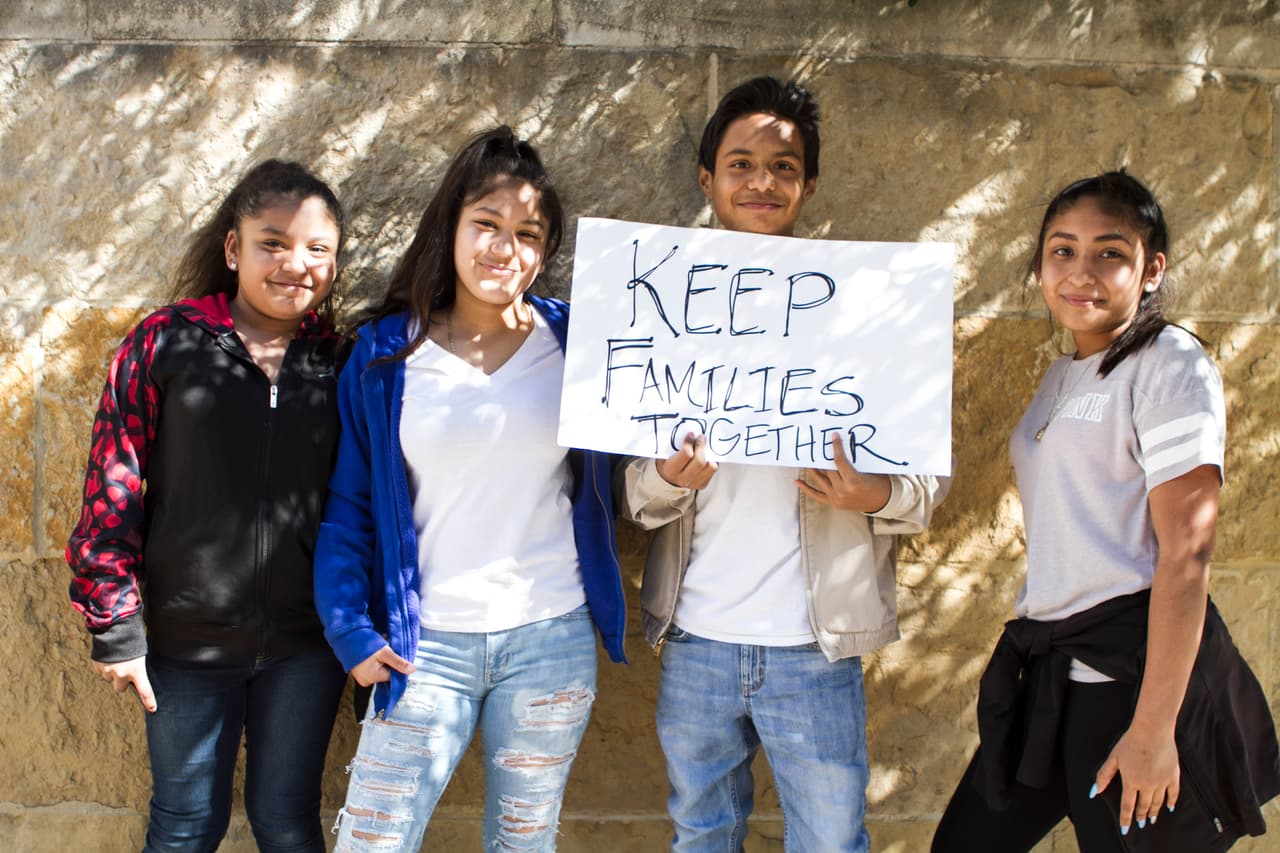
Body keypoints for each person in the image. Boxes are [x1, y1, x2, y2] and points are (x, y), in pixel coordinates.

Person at [616, 75, 950, 853]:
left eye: (783, 166)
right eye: (741, 163)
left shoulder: (867, 311)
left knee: (832, 841)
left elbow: (924, 491)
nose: (761, 180)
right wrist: (668, 479)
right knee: (700, 833)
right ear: (708, 179)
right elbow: (634, 496)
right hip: (695, 637)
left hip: (815, 646)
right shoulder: (663, 309)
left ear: (807, 184)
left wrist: (873, 492)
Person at [931, 171, 1280, 852]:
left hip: (1126, 683)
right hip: (1051, 676)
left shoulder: (1169, 364)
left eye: (1109, 252)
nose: (1081, 271)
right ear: (1038, 266)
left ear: (1152, 269)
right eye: (1062, 250)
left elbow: (1187, 554)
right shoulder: (1064, 374)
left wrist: (1153, 729)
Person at [314, 126, 627, 852]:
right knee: (372, 840)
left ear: (545, 251)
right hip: (424, 646)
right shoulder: (387, 355)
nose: (503, 248)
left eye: (527, 233)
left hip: (550, 635)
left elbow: (637, 462)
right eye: (486, 224)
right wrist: (351, 631)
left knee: (523, 842)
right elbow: (350, 510)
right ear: (451, 226)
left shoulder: (578, 347)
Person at [66, 159, 350, 852]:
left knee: (288, 821)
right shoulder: (165, 342)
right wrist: (115, 625)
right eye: (273, 242)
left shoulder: (341, 361)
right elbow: (113, 482)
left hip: (305, 649)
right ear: (234, 248)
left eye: (318, 249)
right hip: (184, 646)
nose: (295, 264)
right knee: (188, 823)